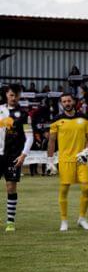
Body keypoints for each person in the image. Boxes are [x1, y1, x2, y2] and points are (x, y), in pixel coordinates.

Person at [47, 93, 88, 231]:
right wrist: (50, 160)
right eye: (64, 101)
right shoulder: (56, 120)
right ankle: (64, 220)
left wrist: (86, 150)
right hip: (65, 159)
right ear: (61, 104)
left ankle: (82, 218)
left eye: (69, 100)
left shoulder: (84, 118)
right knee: (64, 189)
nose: (67, 103)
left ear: (73, 101)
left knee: (86, 188)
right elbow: (51, 141)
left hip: (81, 159)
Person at [0, 85, 33, 231]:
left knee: (11, 187)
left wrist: (23, 155)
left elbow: (30, 137)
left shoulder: (24, 114)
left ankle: (10, 222)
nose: (14, 98)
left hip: (13, 155)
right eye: (11, 95)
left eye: (17, 96)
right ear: (6, 95)